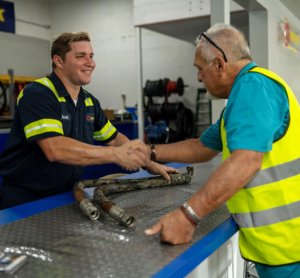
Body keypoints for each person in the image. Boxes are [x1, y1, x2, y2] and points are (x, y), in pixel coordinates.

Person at [145, 24, 300, 278]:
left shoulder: (254, 87)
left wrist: (188, 215)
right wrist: (149, 152)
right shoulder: (242, 98)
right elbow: (202, 147)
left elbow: (246, 161)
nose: (197, 78)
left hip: (289, 250)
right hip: (277, 247)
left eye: (199, 69)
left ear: (219, 64)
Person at [0, 32, 176, 209]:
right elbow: (55, 149)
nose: (90, 63)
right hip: (23, 200)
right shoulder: (38, 93)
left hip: (66, 195)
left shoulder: (89, 101)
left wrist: (148, 163)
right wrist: (117, 155)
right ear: (59, 61)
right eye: (80, 56)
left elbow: (114, 138)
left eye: (91, 56)